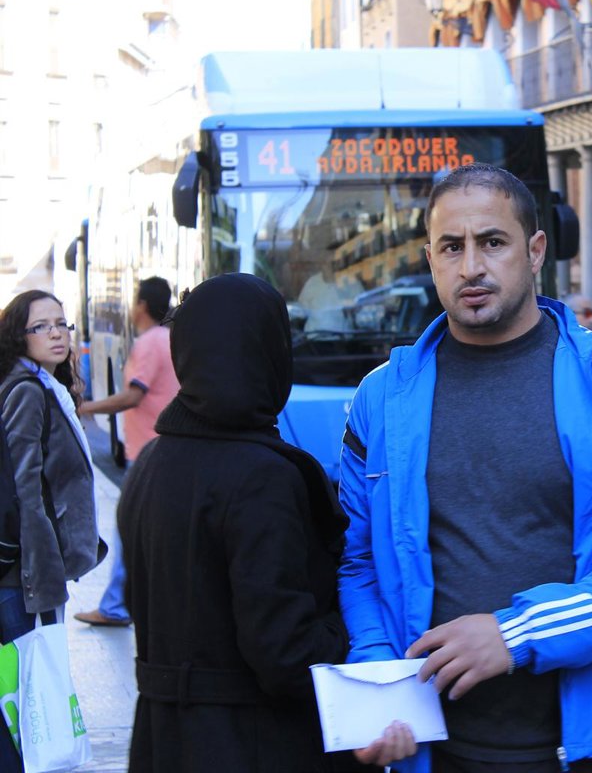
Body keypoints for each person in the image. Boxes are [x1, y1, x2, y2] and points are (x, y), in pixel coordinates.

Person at [339, 164, 592, 773]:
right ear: (430, 259)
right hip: (437, 751)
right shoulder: (381, 397)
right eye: (451, 247)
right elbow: (359, 559)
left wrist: (516, 634)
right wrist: (378, 675)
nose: (471, 267)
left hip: (587, 750)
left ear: (534, 252)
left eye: (492, 242)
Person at [117, 273, 402, 772]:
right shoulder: (262, 476)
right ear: (268, 353)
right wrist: (355, 637)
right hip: (247, 743)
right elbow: (286, 651)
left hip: (162, 739)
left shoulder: (150, 463)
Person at [74, 277, 179, 628]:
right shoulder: (170, 338)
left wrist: (84, 407)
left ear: (142, 305)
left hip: (147, 451)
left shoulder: (149, 342)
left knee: (127, 527)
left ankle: (116, 606)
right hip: (161, 448)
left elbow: (133, 395)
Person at [0, 290, 102, 642]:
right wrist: (43, 582)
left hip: (29, 571)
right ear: (18, 336)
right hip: (25, 577)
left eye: (61, 324)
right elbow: (25, 490)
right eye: (41, 326)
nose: (56, 333)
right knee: (27, 672)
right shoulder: (28, 391)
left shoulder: (45, 385)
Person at [298, 262, 365, 332]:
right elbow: (302, 309)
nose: (329, 266)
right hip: (315, 336)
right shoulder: (312, 282)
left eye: (333, 262)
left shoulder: (351, 280)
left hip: (342, 336)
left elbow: (361, 307)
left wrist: (349, 308)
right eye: (325, 262)